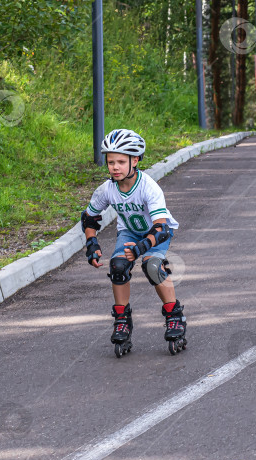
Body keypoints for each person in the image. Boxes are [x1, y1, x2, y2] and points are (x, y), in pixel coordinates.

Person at [80, 129, 187, 357]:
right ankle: (122, 321)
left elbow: (161, 227)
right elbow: (89, 218)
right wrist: (92, 243)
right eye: (110, 162)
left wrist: (141, 248)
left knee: (152, 265)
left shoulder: (148, 186)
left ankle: (174, 316)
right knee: (118, 266)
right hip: (129, 232)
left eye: (120, 161)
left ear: (135, 160)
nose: (114, 167)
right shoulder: (107, 189)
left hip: (154, 234)